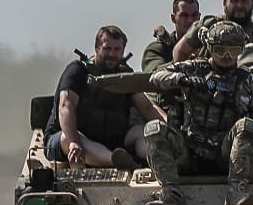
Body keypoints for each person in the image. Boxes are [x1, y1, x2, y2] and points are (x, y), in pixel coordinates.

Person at [144, 20, 253, 205]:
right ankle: (171, 196)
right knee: (154, 129)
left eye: (233, 50)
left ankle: (236, 193)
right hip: (189, 151)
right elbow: (156, 76)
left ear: (241, 50)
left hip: (224, 154)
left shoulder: (248, 81)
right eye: (220, 50)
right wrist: (183, 80)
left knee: (248, 126)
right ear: (210, 48)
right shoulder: (193, 68)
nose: (227, 56)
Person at [45, 26, 166, 169]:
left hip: (114, 141)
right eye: (107, 48)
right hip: (71, 140)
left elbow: (148, 108)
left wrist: (170, 129)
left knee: (143, 131)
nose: (112, 54)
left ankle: (158, 158)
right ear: (96, 48)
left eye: (116, 50)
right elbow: (66, 107)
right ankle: (119, 162)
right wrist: (73, 141)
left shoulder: (124, 75)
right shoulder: (78, 71)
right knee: (69, 138)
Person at [143, 0, 200, 72]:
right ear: (173, 18)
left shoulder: (208, 46)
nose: (190, 20)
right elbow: (152, 73)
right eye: (184, 15)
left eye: (194, 15)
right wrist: (181, 60)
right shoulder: (158, 49)